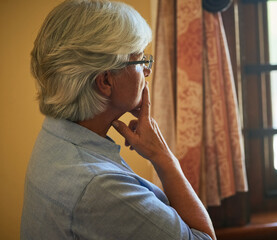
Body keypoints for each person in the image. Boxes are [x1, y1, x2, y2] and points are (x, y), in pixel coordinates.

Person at [20, 0, 216, 239]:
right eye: (141, 59)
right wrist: (163, 157)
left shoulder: (55, 133)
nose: (148, 71)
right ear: (105, 81)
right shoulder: (101, 188)